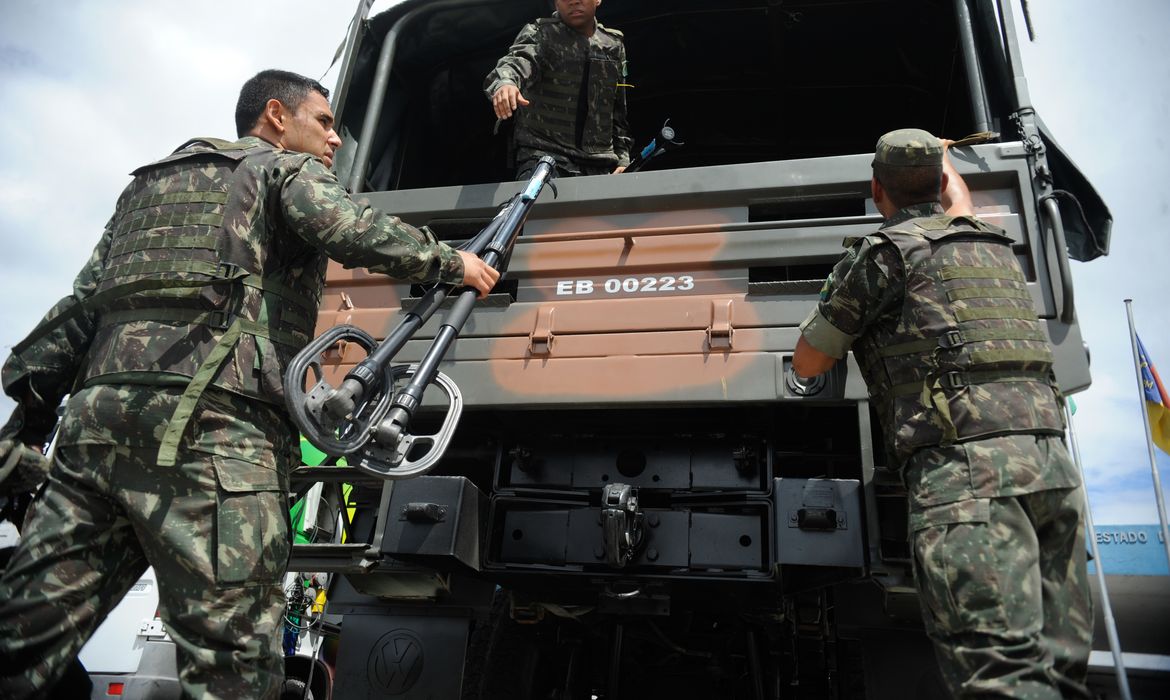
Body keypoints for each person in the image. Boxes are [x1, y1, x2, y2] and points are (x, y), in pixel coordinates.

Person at [0, 68, 499, 699]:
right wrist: (452, 262)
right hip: (214, 435)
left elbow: (79, 309)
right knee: (233, 663)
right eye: (324, 121)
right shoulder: (283, 170)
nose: (336, 140)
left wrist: (27, 434)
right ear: (275, 116)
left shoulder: (149, 188)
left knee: (20, 643)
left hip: (93, 436)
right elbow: (349, 229)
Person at [791, 129, 1092, 698]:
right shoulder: (989, 242)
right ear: (938, 183)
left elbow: (809, 360)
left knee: (1002, 677)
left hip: (968, 479)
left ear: (876, 188)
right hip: (1052, 468)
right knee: (1061, 676)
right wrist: (946, 158)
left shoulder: (885, 255)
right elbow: (959, 202)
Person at [485, 0, 633, 178]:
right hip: (545, 159)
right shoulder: (542, 33)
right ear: (555, 4)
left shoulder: (613, 45)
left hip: (599, 166)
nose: (574, 1)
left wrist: (623, 159)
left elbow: (617, 111)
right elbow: (517, 60)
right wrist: (506, 83)